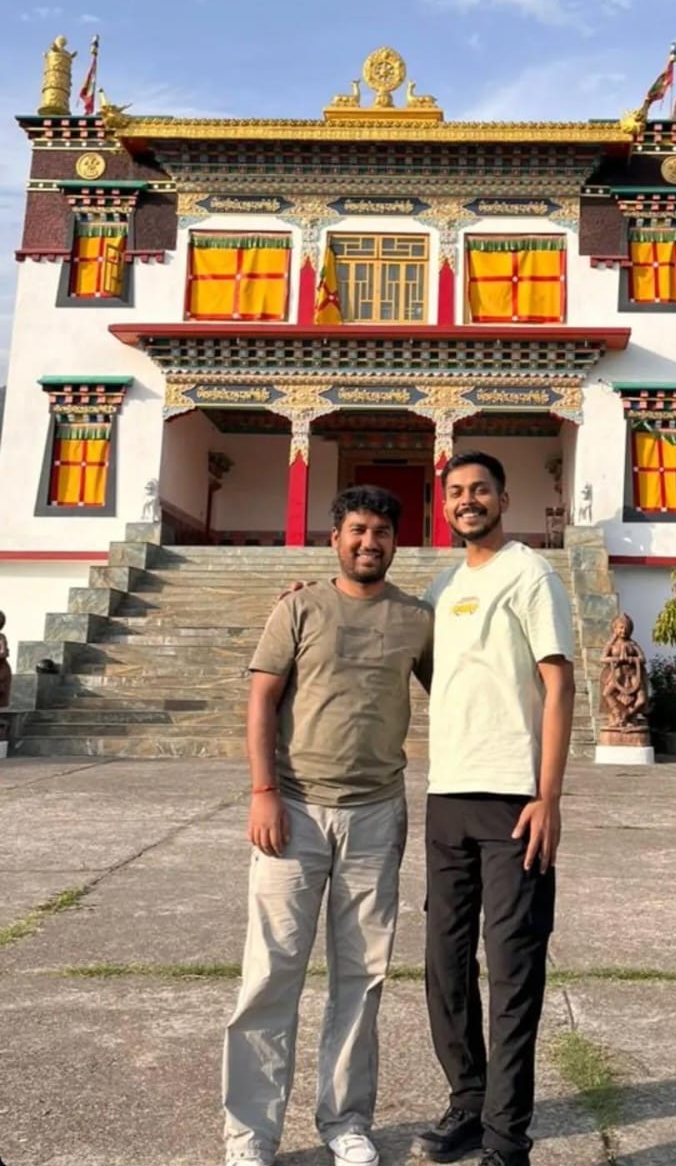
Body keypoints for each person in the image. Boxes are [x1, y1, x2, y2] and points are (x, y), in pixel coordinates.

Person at [222, 485, 434, 1166]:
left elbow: (456, 689)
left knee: (363, 978)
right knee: (271, 973)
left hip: (376, 814)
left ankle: (346, 1120)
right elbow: (261, 700)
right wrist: (262, 791)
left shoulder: (416, 620)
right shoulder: (299, 607)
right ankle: (251, 1132)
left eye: (380, 532)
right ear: (334, 537)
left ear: (395, 542)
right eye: (356, 530)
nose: (368, 542)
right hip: (293, 811)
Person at [415, 451, 576, 1166]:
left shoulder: (530, 572)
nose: (467, 500)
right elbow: (417, 662)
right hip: (447, 795)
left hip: (514, 801)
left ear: (503, 497)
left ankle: (508, 1141)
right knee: (444, 966)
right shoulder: (442, 586)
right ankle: (468, 1104)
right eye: (455, 492)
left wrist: (549, 796)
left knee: (511, 971)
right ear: (444, 504)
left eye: (480, 489)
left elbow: (559, 682)